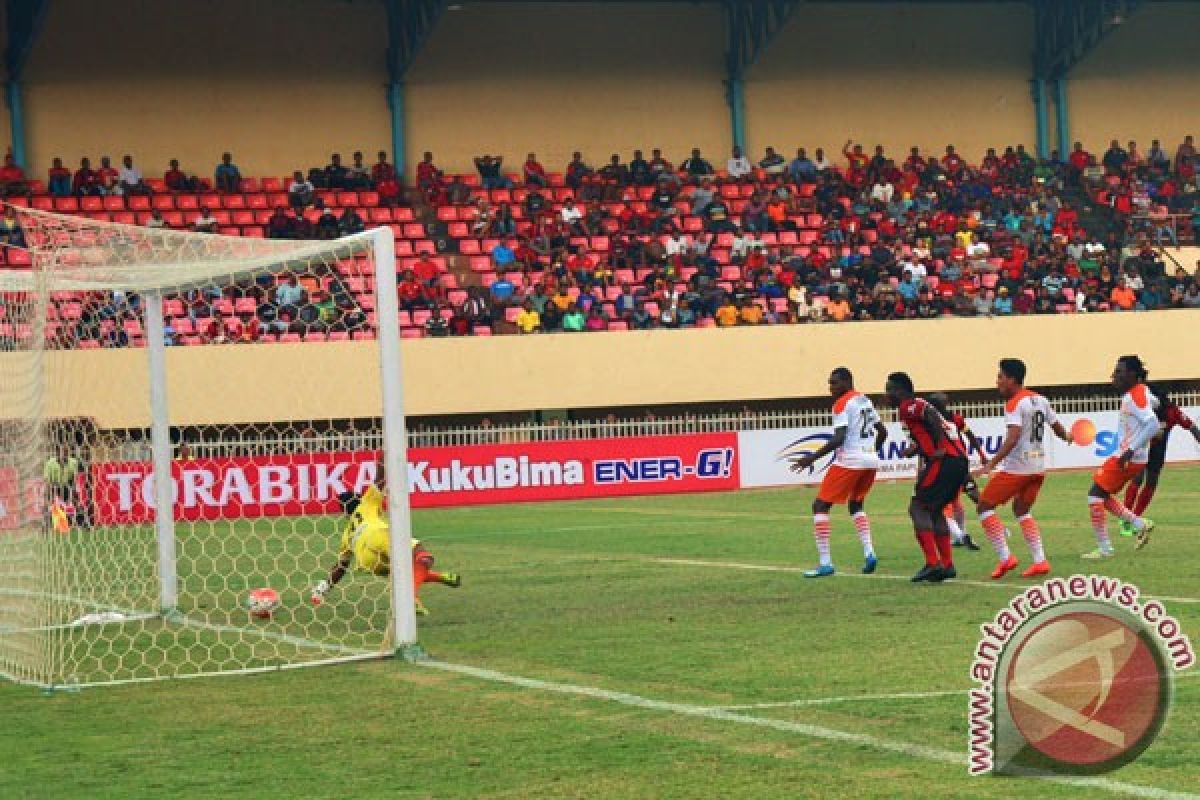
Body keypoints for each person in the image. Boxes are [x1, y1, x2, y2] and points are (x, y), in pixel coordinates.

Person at [973, 359, 1073, 579]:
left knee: (984, 507)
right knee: (1021, 510)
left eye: (1000, 376)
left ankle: (1005, 557)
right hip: (1038, 467)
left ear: (1012, 379)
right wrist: (1067, 436)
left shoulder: (1014, 403)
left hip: (1018, 468)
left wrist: (990, 464)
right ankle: (1040, 561)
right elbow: (1056, 427)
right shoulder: (1040, 399)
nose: (997, 381)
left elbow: (1012, 437)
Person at [789, 368, 886, 577]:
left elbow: (838, 438)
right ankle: (869, 552)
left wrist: (811, 458)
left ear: (846, 382)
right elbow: (883, 432)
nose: (830, 388)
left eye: (834, 383)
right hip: (870, 460)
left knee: (820, 505)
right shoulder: (864, 400)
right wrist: (871, 451)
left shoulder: (842, 403)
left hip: (851, 459)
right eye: (829, 383)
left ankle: (826, 563)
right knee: (856, 504)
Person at [310, 483, 460, 616]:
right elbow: (379, 478)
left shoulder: (347, 534)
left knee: (405, 572)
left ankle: (442, 577)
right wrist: (384, 457)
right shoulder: (366, 502)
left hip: (367, 562)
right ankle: (410, 599)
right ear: (359, 499)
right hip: (378, 536)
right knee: (424, 558)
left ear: (344, 511)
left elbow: (341, 567)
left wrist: (324, 587)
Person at [885, 371, 969, 582]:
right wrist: (914, 450)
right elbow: (931, 426)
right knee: (935, 510)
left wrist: (939, 447)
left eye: (889, 390)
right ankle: (947, 565)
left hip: (945, 460)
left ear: (899, 391)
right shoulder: (914, 405)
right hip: (958, 461)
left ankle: (933, 563)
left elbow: (930, 417)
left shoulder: (908, 405)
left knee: (918, 507)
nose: (886, 395)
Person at [1084, 355, 1158, 558]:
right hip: (1133, 458)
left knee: (1094, 495)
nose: (1114, 375)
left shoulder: (1133, 396)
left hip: (1127, 458)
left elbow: (1152, 424)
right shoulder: (1141, 391)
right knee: (1103, 496)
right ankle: (1140, 524)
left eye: (1119, 372)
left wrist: (1131, 449)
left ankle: (1105, 549)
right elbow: (1154, 404)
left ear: (1132, 374)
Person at [1119, 388, 1200, 535]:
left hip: (1157, 452)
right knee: (1137, 479)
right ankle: (1125, 520)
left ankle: (1135, 519)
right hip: (1141, 448)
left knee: (1151, 482)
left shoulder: (1173, 411)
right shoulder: (1143, 409)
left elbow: (1192, 427)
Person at [926, 392, 983, 551]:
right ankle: (966, 532)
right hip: (961, 463)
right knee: (960, 500)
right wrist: (982, 455)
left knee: (941, 505)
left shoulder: (932, 423)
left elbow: (929, 446)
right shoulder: (954, 420)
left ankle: (960, 535)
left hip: (946, 465)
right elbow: (970, 436)